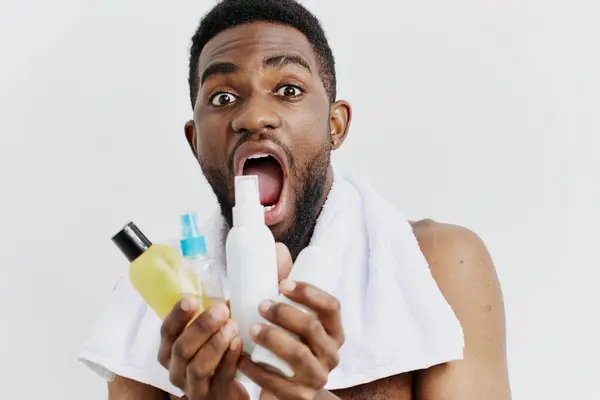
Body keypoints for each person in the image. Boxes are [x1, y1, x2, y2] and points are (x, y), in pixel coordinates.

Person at [102, 0, 511, 398]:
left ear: (335, 125)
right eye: (223, 98)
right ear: (195, 142)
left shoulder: (439, 263)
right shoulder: (152, 301)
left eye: (288, 89)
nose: (253, 117)